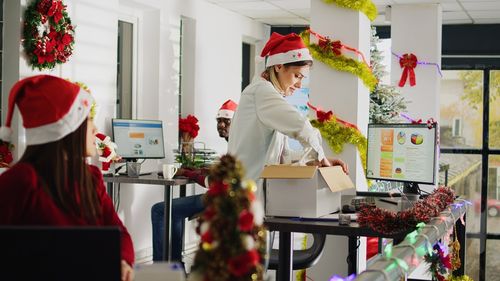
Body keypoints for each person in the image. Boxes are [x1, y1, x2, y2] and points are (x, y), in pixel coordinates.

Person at [0, 75, 135, 281]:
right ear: (66, 130)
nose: (95, 129)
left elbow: (120, 234)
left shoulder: (91, 178)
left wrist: (122, 260)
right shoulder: (20, 181)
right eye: (88, 120)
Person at [228, 32, 349, 191]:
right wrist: (321, 158)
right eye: (297, 76)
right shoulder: (262, 92)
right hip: (244, 195)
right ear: (278, 66)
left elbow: (282, 156)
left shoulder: (266, 95)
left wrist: (318, 160)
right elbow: (301, 127)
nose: (299, 85)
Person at [151, 99, 238, 263]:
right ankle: (176, 268)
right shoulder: (236, 143)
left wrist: (188, 174)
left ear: (237, 122)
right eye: (219, 121)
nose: (221, 125)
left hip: (221, 200)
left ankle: (161, 271)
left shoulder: (235, 145)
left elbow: (213, 183)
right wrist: (197, 170)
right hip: (229, 199)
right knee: (174, 212)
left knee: (160, 210)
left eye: (226, 121)